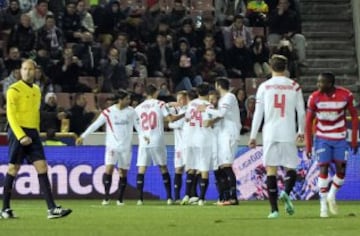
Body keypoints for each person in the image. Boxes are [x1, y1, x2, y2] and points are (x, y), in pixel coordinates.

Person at [1, 59, 72, 219]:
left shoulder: (37, 90)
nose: (27, 71)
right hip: (18, 132)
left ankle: (52, 209)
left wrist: (50, 120)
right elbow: (10, 116)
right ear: (21, 71)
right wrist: (21, 136)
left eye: (30, 69)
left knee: (42, 167)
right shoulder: (14, 90)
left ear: (35, 71)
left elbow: (35, 114)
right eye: (24, 69)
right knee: (13, 169)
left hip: (33, 133)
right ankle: (5, 209)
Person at [248, 54, 305, 218]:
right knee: (291, 168)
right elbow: (301, 112)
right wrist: (300, 131)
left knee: (270, 170)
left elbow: (258, 113)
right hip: (288, 131)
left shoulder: (264, 87)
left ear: (270, 67)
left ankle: (274, 211)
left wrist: (253, 136)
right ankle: (286, 191)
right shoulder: (294, 86)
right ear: (286, 67)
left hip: (270, 133)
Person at [305, 72, 358, 218]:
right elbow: (308, 122)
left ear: (329, 84)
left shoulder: (346, 95)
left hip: (340, 138)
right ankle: (323, 206)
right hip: (322, 138)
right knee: (324, 168)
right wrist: (308, 145)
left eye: (321, 82)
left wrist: (353, 139)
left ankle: (331, 195)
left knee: (341, 171)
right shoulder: (314, 97)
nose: (318, 85)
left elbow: (354, 116)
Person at [76, 90, 139, 206]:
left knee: (123, 173)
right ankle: (106, 197)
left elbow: (138, 126)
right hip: (112, 147)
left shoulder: (131, 112)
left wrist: (144, 137)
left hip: (126, 147)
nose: (129, 101)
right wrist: (83, 136)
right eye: (127, 99)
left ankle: (120, 199)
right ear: (121, 100)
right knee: (108, 169)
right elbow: (95, 125)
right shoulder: (109, 112)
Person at [134, 84, 184, 205]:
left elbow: (136, 125)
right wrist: (184, 114)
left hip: (144, 141)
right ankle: (169, 198)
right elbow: (170, 119)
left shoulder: (138, 108)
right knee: (163, 167)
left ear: (146, 93)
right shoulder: (160, 104)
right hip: (157, 140)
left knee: (141, 169)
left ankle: (139, 199)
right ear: (156, 92)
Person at [198, 78, 241, 205]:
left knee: (226, 166)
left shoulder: (229, 96)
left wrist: (205, 109)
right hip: (223, 136)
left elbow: (222, 113)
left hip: (230, 134)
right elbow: (221, 116)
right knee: (222, 167)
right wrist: (212, 121)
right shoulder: (222, 100)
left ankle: (233, 198)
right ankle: (227, 197)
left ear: (218, 85)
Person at [181, 83, 215, 206]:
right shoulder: (208, 106)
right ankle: (201, 198)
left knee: (191, 167)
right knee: (204, 168)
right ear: (208, 93)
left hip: (190, 139)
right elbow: (210, 122)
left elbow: (187, 119)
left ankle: (187, 195)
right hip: (203, 139)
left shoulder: (191, 104)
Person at [167, 91, 189, 203]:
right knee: (178, 169)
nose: (180, 101)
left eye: (182, 99)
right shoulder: (179, 110)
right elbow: (164, 108)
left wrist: (170, 123)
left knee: (190, 170)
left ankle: (191, 195)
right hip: (179, 146)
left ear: (186, 99)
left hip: (188, 145)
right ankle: (176, 197)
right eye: (178, 99)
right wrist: (171, 104)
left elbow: (174, 124)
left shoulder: (187, 110)